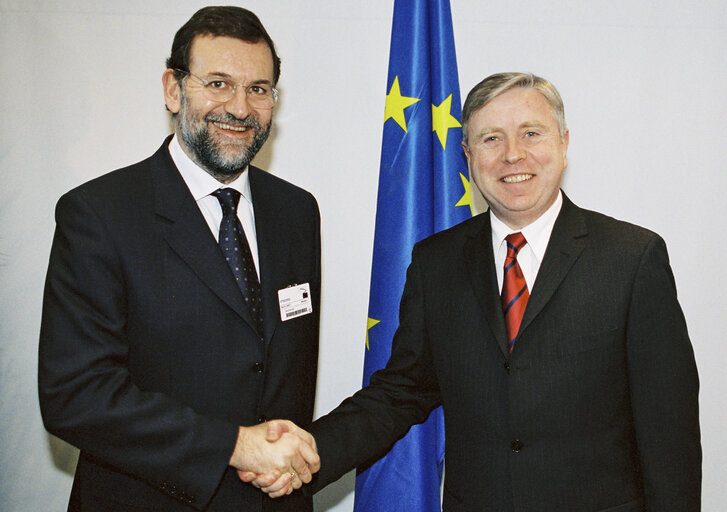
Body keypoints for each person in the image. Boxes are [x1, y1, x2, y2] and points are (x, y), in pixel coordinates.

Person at [248, 72, 702, 510]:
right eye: (491, 139)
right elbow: (401, 391)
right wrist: (311, 451)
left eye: (531, 134)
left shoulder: (631, 258)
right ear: (466, 154)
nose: (512, 156)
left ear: (564, 144)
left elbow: (670, 433)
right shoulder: (436, 263)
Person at [38, 6, 320, 511]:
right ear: (173, 89)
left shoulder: (297, 211)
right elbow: (74, 395)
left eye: (258, 88)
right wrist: (233, 445)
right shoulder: (99, 214)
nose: (239, 107)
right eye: (218, 83)